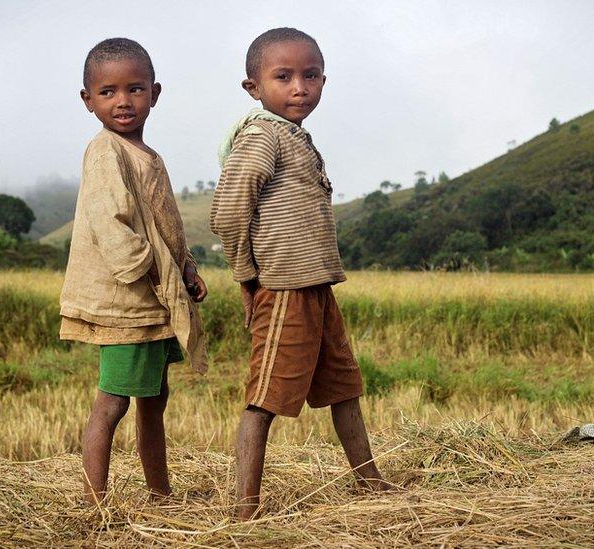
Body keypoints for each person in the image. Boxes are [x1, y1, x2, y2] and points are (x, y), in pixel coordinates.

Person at [211, 27, 391, 520]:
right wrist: (246, 275)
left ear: (324, 81)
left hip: (317, 288)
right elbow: (228, 210)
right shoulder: (262, 134)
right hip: (285, 287)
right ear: (254, 88)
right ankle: (245, 511)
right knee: (264, 400)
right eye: (283, 77)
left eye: (310, 76)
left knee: (345, 388)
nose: (299, 88)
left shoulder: (295, 137)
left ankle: (371, 483)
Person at [59, 37, 208, 505]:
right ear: (88, 100)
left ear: (155, 94)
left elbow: (166, 224)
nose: (123, 101)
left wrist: (186, 268)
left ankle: (160, 494)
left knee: (154, 400)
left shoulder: (149, 156)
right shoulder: (105, 151)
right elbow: (112, 225)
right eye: (108, 92)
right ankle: (94, 502)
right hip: (129, 304)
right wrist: (149, 272)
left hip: (155, 302)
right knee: (113, 402)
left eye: (135, 89)